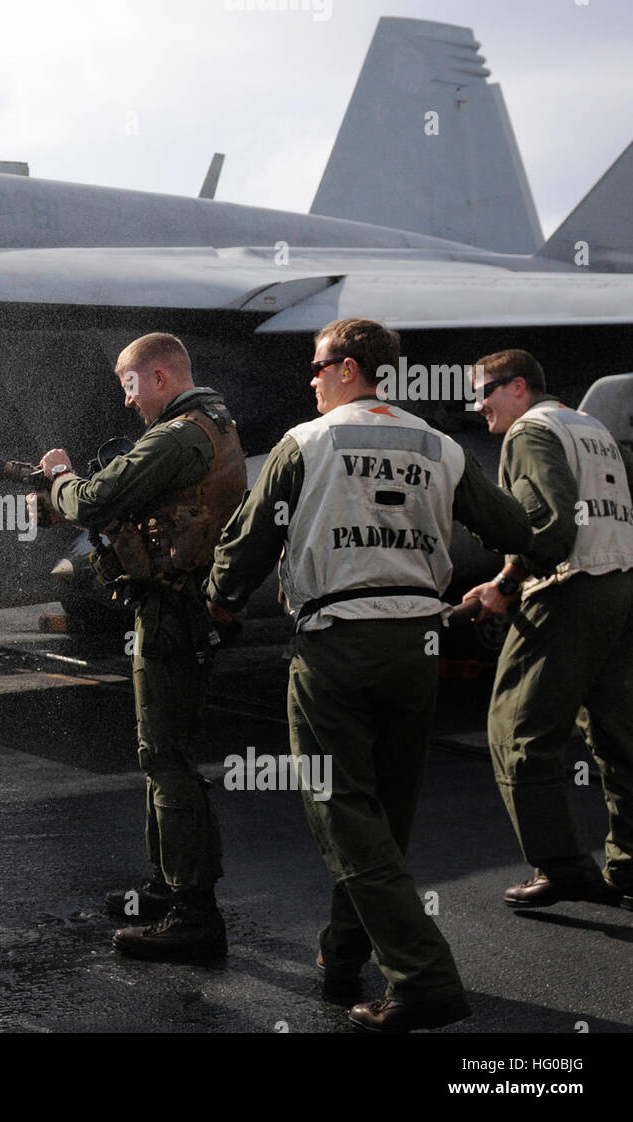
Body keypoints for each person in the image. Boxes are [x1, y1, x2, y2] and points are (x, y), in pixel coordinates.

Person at [205, 318, 530, 1032]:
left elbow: (248, 542)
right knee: (382, 813)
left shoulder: (306, 442)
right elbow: (516, 526)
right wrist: (506, 577)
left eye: (319, 366)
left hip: (336, 645)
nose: (311, 379)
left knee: (341, 811)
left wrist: (219, 608)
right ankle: (343, 954)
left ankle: (424, 977)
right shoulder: (438, 445)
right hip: (418, 647)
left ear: (348, 368)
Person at [35, 332, 246, 963]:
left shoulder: (180, 433)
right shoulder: (211, 424)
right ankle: (167, 886)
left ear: (158, 378)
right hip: (181, 606)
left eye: (130, 385)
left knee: (166, 757)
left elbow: (96, 498)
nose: (127, 402)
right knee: (164, 753)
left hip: (172, 613)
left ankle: (193, 913)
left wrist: (59, 478)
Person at [462, 350, 633, 912]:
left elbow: (550, 526)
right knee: (617, 735)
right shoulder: (591, 426)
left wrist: (506, 585)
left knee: (518, 733)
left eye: (486, 391)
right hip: (619, 587)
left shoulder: (531, 433)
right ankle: (630, 864)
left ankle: (561, 868)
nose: (478, 404)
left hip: (567, 592)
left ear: (517, 387)